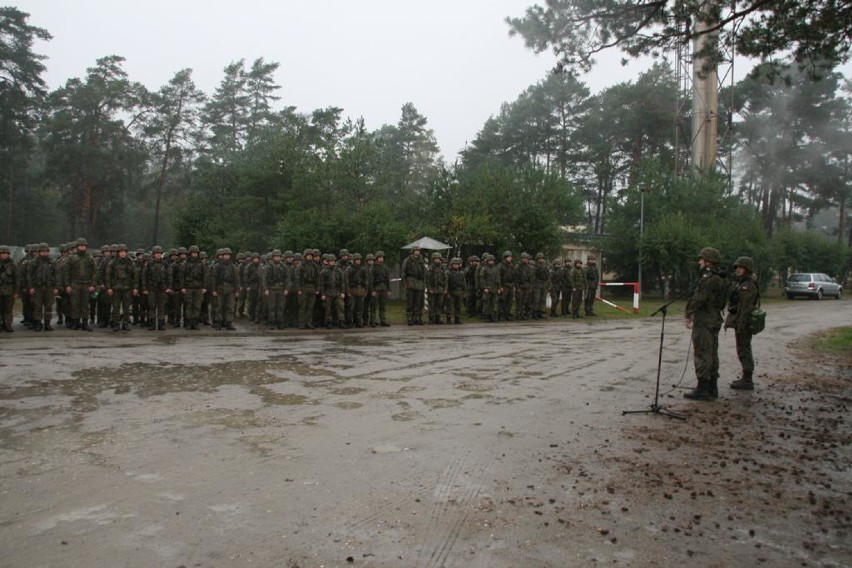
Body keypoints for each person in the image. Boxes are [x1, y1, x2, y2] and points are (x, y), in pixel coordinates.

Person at [684, 247, 729, 400]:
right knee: (712, 353)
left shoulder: (708, 279)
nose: (699, 262)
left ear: (708, 261)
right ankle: (712, 387)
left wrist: (688, 313)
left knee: (703, 352)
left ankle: (702, 388)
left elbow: (699, 298)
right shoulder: (722, 279)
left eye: (701, 259)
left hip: (704, 319)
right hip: (715, 318)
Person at [725, 256, 759, 390]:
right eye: (737, 267)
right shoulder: (741, 283)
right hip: (740, 321)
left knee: (744, 349)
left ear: (747, 269)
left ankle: (747, 378)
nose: (737, 270)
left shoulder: (748, 285)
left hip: (743, 322)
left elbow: (745, 307)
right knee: (742, 348)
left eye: (740, 267)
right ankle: (746, 377)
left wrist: (741, 324)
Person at [64, 238, 97, 331]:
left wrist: (93, 285)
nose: (82, 248)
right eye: (80, 246)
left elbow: (95, 272)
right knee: (75, 304)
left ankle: (85, 323)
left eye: (84, 246)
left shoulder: (90, 258)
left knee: (85, 305)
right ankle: (76, 322)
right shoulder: (72, 258)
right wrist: (67, 285)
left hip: (87, 284)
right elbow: (66, 272)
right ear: (77, 247)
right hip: (75, 284)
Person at [106, 244, 139, 332]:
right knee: (116, 307)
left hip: (127, 288)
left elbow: (135, 276)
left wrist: (135, 288)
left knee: (126, 308)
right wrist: (109, 288)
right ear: (118, 253)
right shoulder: (113, 262)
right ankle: (116, 324)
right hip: (116, 288)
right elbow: (108, 276)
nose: (123, 254)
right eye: (121, 252)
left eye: (124, 252)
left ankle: (125, 324)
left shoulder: (130, 262)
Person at [142, 246, 169, 330]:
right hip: (151, 288)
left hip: (162, 289)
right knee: (151, 306)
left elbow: (169, 276)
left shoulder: (165, 264)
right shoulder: (149, 264)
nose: (158, 255)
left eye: (159, 254)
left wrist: (168, 287)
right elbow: (144, 276)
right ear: (153, 255)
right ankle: (151, 324)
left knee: (161, 307)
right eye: (156, 254)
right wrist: (144, 288)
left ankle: (161, 324)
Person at [402, 246, 426, 325]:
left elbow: (424, 272)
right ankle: (410, 317)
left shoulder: (421, 260)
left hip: (419, 282)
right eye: (416, 250)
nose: (417, 252)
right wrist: (405, 282)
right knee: (410, 301)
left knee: (418, 302)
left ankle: (417, 317)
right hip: (410, 281)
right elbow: (404, 272)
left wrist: (423, 282)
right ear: (413, 251)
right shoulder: (408, 260)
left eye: (418, 251)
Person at [370, 251, 391, 327]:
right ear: (376, 258)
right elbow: (371, 280)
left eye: (382, 257)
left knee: (383, 306)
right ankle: (372, 321)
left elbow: (388, 280)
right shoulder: (373, 268)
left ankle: (383, 320)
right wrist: (372, 290)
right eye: (379, 257)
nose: (381, 259)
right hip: (376, 288)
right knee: (374, 306)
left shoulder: (385, 267)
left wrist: (388, 290)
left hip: (384, 288)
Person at [0, 245, 18, 332]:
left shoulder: (12, 265)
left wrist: (16, 292)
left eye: (5, 254)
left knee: (8, 309)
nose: (4, 255)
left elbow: (16, 278)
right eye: (2, 253)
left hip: (9, 290)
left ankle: (7, 324)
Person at [426, 252, 447, 324]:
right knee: (432, 304)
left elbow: (445, 279)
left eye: (438, 259)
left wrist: (445, 289)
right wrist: (429, 289)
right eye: (436, 259)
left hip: (440, 289)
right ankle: (431, 319)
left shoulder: (442, 268)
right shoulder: (430, 268)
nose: (437, 260)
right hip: (433, 289)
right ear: (433, 259)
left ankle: (438, 318)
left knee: (439, 304)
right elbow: (428, 280)